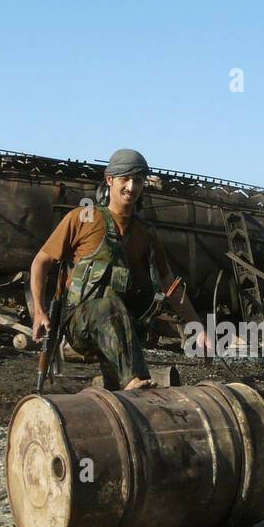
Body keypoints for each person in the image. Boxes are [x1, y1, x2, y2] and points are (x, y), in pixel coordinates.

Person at [29, 148, 210, 390]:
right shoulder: (81, 218)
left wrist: (197, 327)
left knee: (119, 393)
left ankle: (132, 389)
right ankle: (133, 380)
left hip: (121, 326)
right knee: (109, 305)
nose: (131, 187)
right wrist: (39, 312)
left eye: (138, 180)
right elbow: (40, 261)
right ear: (110, 180)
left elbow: (169, 283)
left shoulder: (146, 234)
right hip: (80, 324)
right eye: (125, 179)